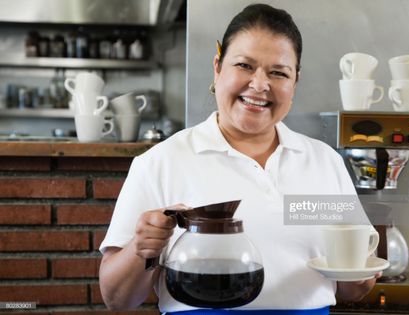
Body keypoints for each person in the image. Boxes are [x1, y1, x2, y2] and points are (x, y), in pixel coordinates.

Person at [99, 3, 379, 314]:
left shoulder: (324, 162)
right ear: (217, 68)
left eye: (278, 72)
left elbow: (355, 288)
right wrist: (141, 249)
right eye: (244, 66)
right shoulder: (160, 163)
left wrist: (362, 272)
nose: (260, 84)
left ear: (294, 82)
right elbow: (117, 299)